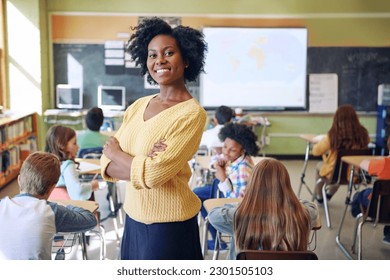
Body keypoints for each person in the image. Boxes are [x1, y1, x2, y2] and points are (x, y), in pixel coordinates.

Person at [100, 17, 207, 260]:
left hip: (169, 226)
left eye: (169, 53)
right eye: (152, 55)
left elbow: (153, 174)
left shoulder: (191, 113)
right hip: (134, 217)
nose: (159, 60)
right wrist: (143, 163)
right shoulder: (138, 106)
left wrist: (118, 154)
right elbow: (104, 163)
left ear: (187, 59)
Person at [208, 158, 319, 259]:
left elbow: (213, 215)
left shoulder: (239, 216)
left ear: (252, 185)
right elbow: (311, 206)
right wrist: (288, 200)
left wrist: (246, 203)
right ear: (286, 185)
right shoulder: (303, 214)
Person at [0, 152, 97, 260]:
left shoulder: (2, 205)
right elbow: (90, 220)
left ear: (19, 180)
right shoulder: (51, 210)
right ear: (52, 188)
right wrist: (68, 207)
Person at [193, 122, 259, 249]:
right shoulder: (233, 156)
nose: (226, 152)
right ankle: (216, 236)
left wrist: (222, 176)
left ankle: (217, 238)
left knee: (198, 197)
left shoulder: (243, 171)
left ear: (243, 150)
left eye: (232, 150)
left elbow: (236, 201)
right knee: (196, 193)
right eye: (224, 146)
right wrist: (217, 165)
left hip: (234, 204)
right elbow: (216, 158)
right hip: (222, 188)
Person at [312, 104, 370, 203]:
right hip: (355, 175)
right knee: (341, 170)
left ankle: (320, 197)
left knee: (321, 167)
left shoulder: (333, 136)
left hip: (335, 174)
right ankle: (329, 194)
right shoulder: (363, 134)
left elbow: (316, 152)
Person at [351, 137, 390, 245]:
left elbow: (363, 163)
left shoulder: (384, 163)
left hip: (379, 209)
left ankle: (356, 210)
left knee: (361, 194)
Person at [45, 125, 99, 200]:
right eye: (74, 143)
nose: (78, 147)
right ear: (62, 146)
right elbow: (77, 191)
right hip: (69, 208)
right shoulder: (68, 165)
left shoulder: (48, 165)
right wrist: (92, 185)